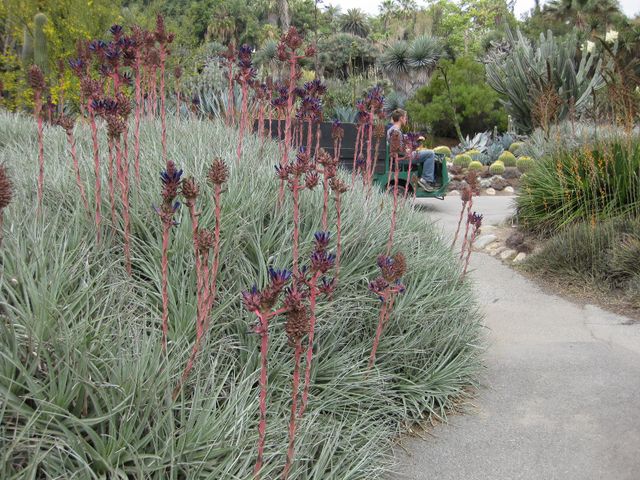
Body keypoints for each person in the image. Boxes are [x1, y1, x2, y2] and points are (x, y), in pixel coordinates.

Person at [386, 109, 438, 191]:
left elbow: (399, 144)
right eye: (405, 118)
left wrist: (414, 140)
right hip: (403, 158)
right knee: (430, 153)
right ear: (401, 118)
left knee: (425, 152)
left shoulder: (392, 129)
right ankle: (426, 180)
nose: (406, 120)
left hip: (399, 156)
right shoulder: (396, 131)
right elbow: (399, 150)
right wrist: (412, 148)